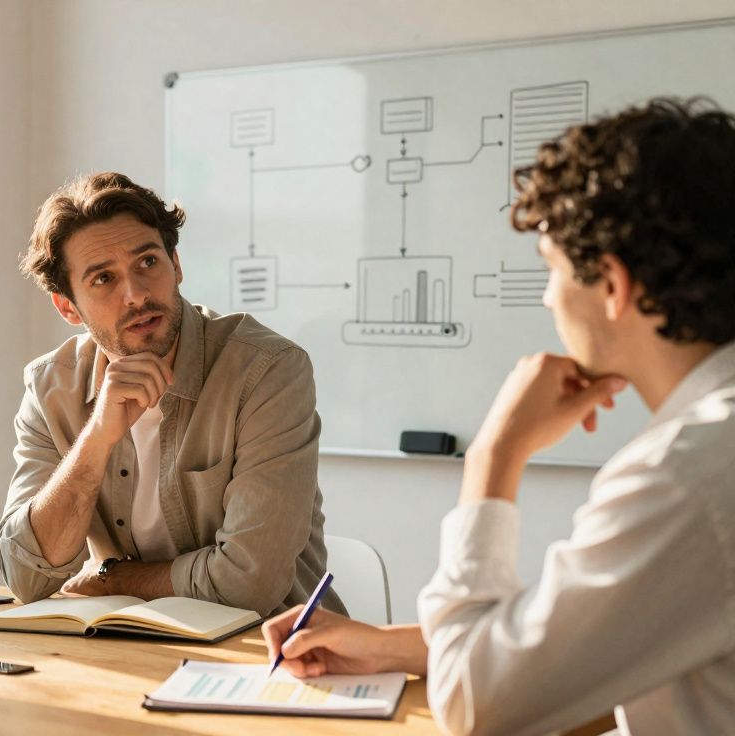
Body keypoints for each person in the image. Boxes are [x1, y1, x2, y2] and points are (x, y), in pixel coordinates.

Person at [262, 97, 735, 735]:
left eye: (554, 271)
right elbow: (587, 639)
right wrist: (390, 646)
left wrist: (493, 457)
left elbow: (477, 707)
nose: (547, 297)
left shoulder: (684, 478)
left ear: (615, 286)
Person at [0, 171, 344, 617]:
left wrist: (115, 578)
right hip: (123, 652)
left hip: (266, 656)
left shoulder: (267, 371)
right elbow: (26, 576)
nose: (136, 295)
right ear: (67, 307)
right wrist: (97, 438)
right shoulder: (50, 389)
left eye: (147, 263)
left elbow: (249, 582)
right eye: (103, 279)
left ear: (175, 265)